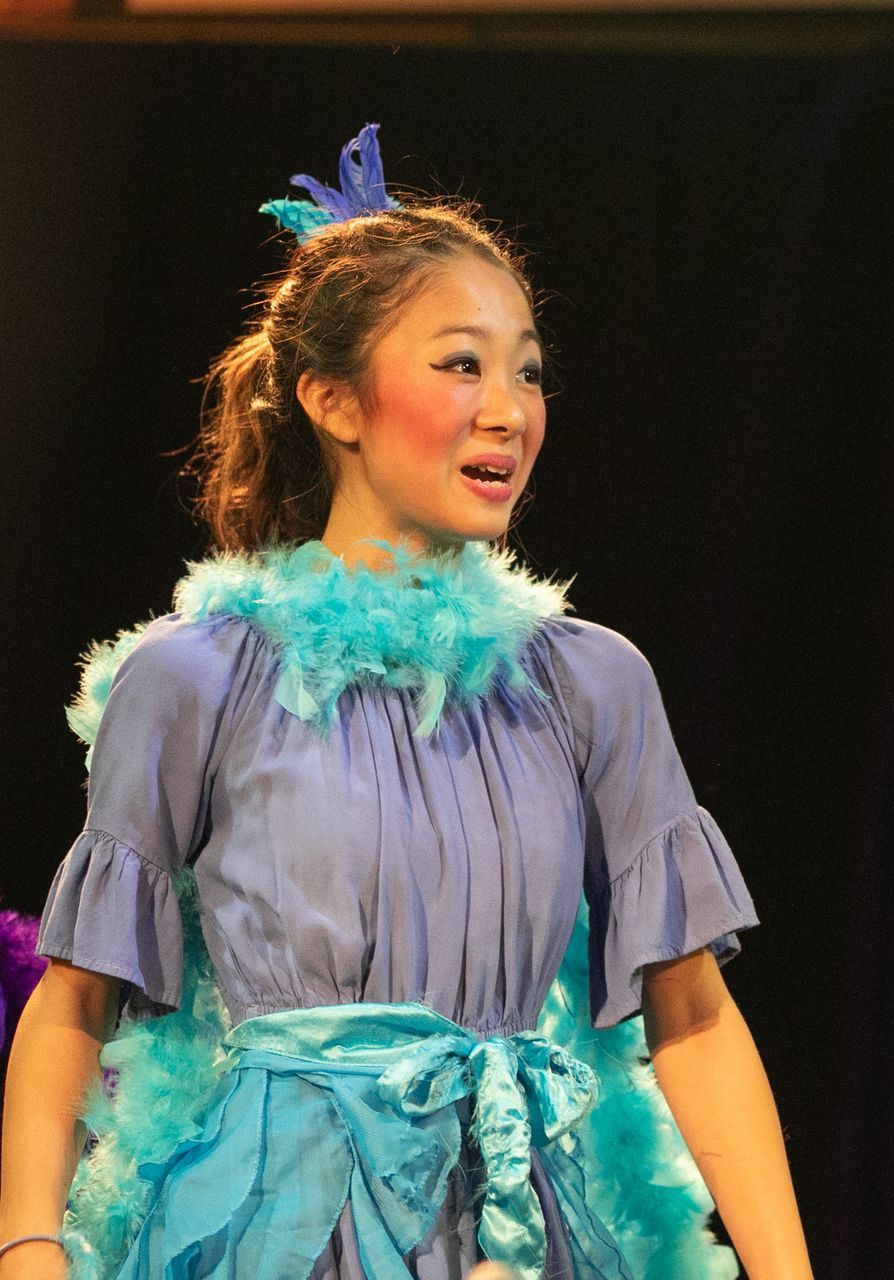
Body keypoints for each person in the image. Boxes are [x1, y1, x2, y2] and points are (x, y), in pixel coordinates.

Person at [0, 125, 813, 1280]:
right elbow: (77, 1000)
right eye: (461, 363)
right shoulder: (197, 676)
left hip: (525, 1228)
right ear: (334, 401)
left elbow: (691, 1013)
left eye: (527, 368)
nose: (509, 408)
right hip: (279, 1229)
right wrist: (28, 1246)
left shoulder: (591, 680)